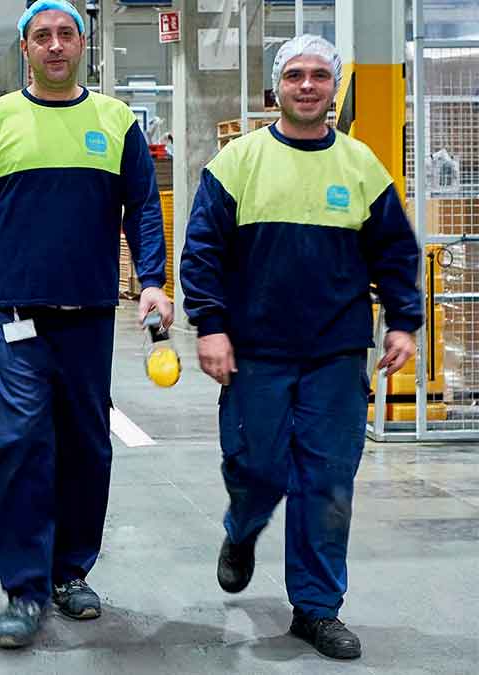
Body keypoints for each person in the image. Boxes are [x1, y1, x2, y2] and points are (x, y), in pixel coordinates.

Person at [180, 35, 421, 661]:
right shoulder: (239, 162)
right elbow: (203, 251)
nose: (307, 86)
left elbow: (394, 252)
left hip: (334, 356)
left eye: (318, 75)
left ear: (333, 86)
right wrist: (209, 325)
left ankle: (316, 608)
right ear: (276, 88)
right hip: (255, 352)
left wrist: (403, 321)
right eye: (295, 76)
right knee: (256, 467)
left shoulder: (363, 166)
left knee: (327, 483)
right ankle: (242, 527)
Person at [0, 0, 171, 649]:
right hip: (16, 311)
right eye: (41, 36)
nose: (53, 45)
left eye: (64, 34)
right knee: (18, 439)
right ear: (26, 48)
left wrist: (154, 279)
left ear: (82, 44)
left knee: (86, 443)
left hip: (90, 313)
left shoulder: (116, 121)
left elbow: (143, 208)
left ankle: (70, 570)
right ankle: (23, 587)